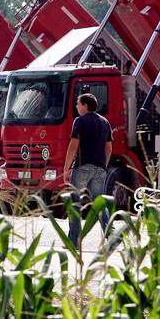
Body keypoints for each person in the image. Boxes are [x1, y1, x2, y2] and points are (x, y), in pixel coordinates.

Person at [64, 93, 113, 245]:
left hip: (83, 166)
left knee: (75, 203)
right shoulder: (105, 122)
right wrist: (103, 165)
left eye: (78, 104)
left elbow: (73, 146)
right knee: (99, 202)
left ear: (85, 105)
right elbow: (109, 148)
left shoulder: (79, 121)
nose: (76, 107)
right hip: (100, 168)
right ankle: (111, 234)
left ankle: (74, 240)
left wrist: (66, 168)